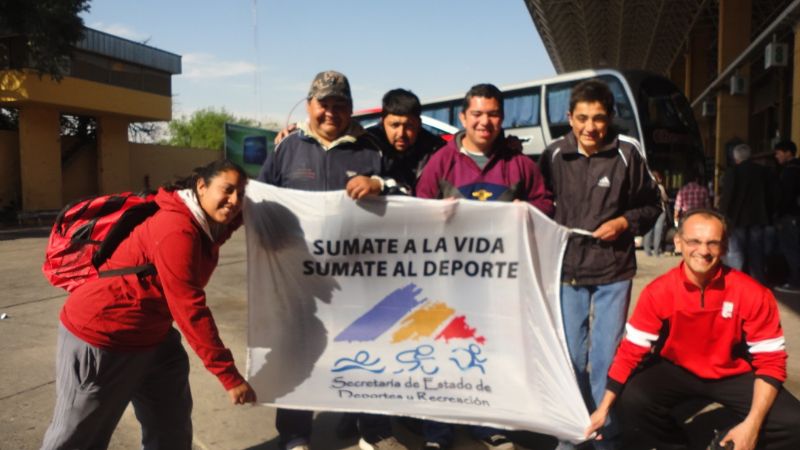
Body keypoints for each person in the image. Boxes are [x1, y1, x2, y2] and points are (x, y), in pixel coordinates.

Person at [41, 159, 257, 450]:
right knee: (78, 436)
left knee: (170, 427)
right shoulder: (177, 230)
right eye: (227, 190)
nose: (234, 201)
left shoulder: (204, 220)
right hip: (103, 336)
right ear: (202, 186)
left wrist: (282, 158)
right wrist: (228, 375)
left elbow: (237, 217)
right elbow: (189, 308)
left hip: (152, 333)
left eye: (240, 194)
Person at [257, 70, 405, 450]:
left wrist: (379, 184)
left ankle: (371, 428)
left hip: (358, 279)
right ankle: (294, 435)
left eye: (340, 105)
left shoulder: (371, 148)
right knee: (297, 356)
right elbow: (260, 201)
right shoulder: (287, 149)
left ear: (350, 109)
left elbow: (407, 195)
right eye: (324, 104)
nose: (330, 112)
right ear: (309, 105)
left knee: (364, 350)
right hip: (299, 280)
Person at [585, 209, 800, 450]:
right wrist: (603, 409)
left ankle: (729, 440)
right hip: (677, 368)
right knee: (631, 401)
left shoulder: (753, 293)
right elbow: (630, 351)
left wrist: (752, 425)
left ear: (725, 246)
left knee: (794, 424)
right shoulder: (658, 291)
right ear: (678, 242)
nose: (704, 251)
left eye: (713, 243)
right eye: (694, 241)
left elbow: (771, 360)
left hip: (731, 370)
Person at [415, 83, 553, 450]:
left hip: (499, 281)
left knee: (489, 351)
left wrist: (525, 210)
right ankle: (438, 431)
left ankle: (487, 423)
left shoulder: (519, 164)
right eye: (477, 114)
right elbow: (417, 207)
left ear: (501, 118)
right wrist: (435, 216)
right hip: (447, 280)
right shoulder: (441, 161)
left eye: (492, 114)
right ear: (463, 117)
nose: (485, 122)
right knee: (441, 353)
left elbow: (546, 206)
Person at [538, 79, 661, 450]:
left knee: (607, 359)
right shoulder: (554, 154)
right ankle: (572, 431)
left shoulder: (627, 154)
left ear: (610, 118)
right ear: (568, 118)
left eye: (598, 118)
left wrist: (625, 223)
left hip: (613, 272)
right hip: (568, 271)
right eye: (581, 118)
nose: (590, 127)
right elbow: (538, 202)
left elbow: (651, 205)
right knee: (570, 358)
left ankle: (607, 432)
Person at [367, 88, 447, 191]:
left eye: (409, 126)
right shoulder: (367, 148)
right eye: (395, 125)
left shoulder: (437, 151)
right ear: (383, 122)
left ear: (419, 124)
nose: (401, 133)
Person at [719, 143, 775, 285]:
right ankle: (757, 281)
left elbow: (728, 196)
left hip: (738, 218)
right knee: (756, 250)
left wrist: (723, 214)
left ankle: (737, 281)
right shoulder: (763, 171)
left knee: (737, 251)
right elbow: (772, 194)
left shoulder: (733, 172)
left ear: (735, 157)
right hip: (759, 217)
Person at [773, 140, 800, 293]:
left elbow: (785, 196)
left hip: (790, 216)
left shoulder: (790, 171)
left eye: (779, 153)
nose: (776, 156)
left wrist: (779, 214)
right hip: (796, 215)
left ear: (788, 152)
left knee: (791, 249)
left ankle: (795, 282)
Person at [642, 169, 669, 257]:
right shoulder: (660, 187)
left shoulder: (645, 186)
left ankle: (647, 250)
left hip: (648, 210)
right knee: (658, 231)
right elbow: (665, 198)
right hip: (660, 210)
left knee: (648, 230)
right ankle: (656, 251)